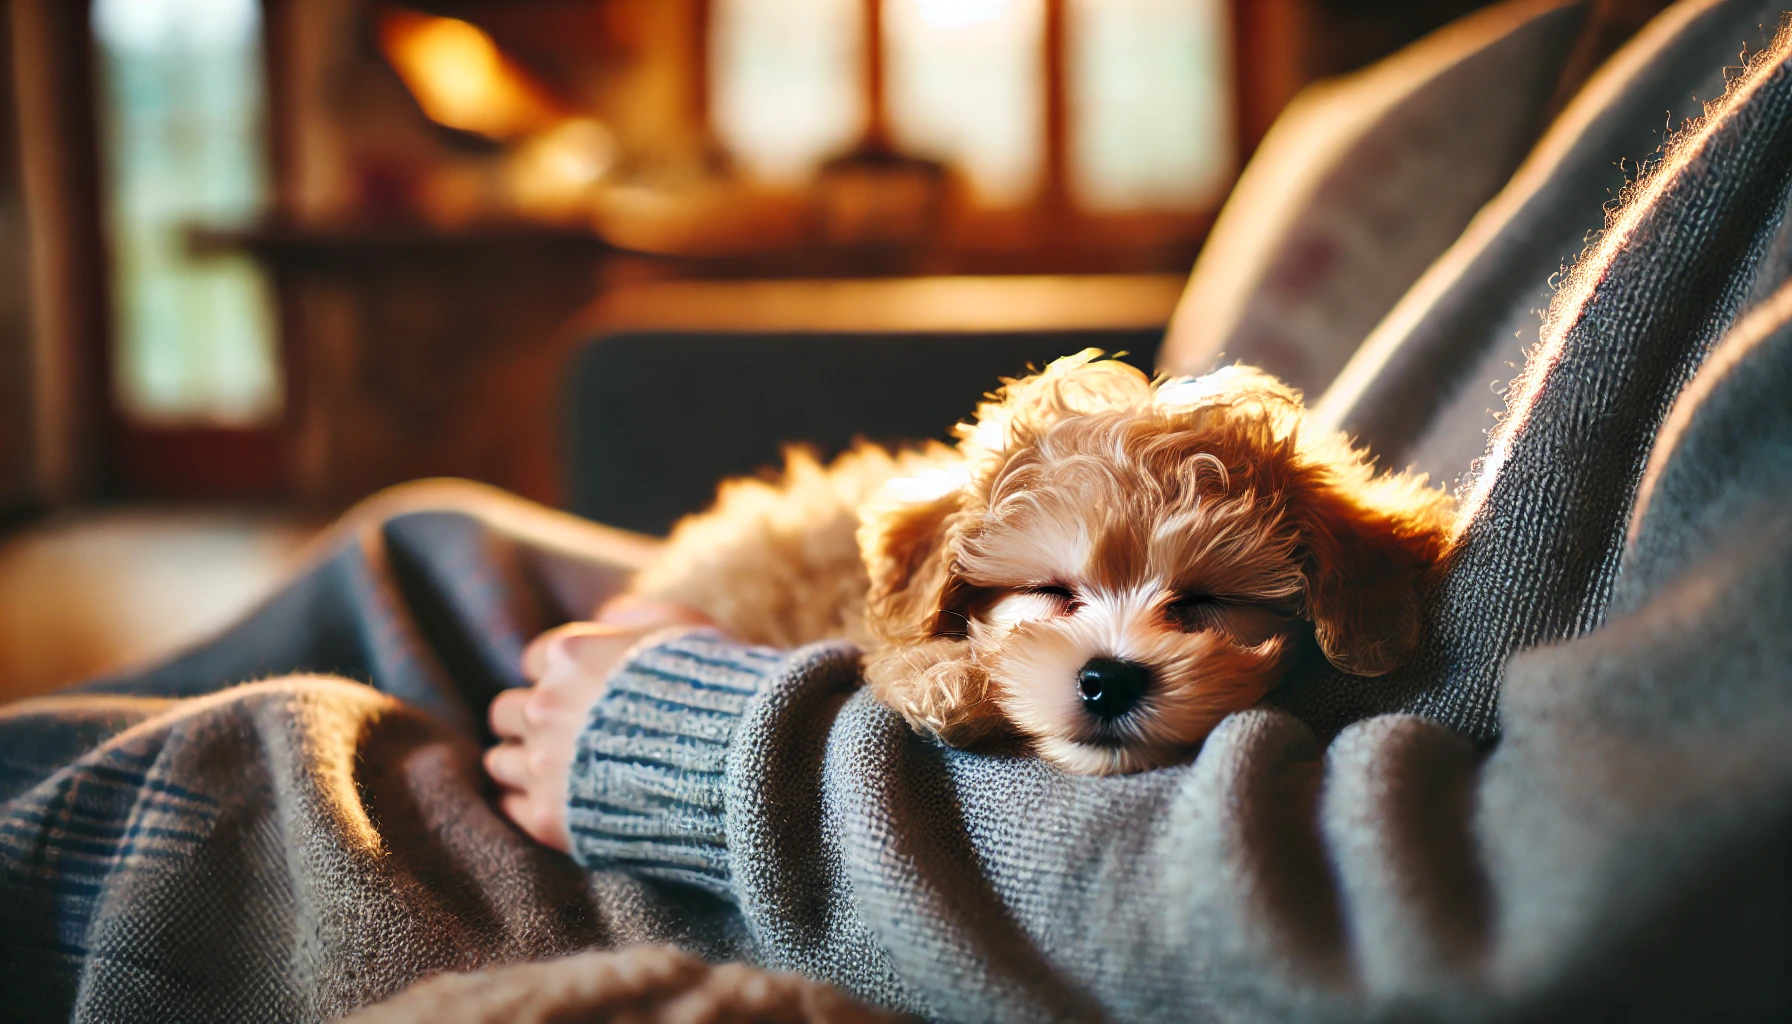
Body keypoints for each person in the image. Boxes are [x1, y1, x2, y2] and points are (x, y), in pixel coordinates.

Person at [6, 3, 1792, 1021]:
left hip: (1005, 874)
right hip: (913, 751)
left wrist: (720, 749)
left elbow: (1503, 920)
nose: (1121, 646)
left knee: (250, 777)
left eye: (1189, 610)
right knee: (432, 551)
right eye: (1076, 597)